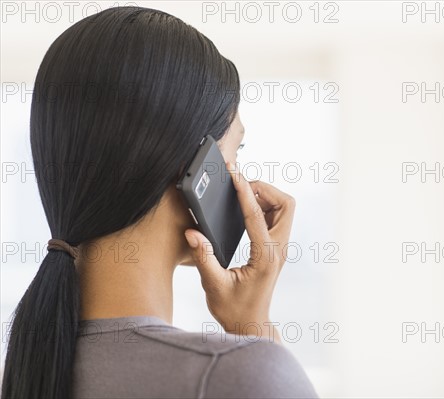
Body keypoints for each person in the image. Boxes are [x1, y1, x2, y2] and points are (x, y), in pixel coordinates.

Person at [1, 6, 318, 399]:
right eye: (235, 153)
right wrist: (255, 326)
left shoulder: (29, 370)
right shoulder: (237, 374)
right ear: (195, 168)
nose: (244, 181)